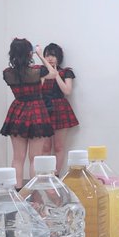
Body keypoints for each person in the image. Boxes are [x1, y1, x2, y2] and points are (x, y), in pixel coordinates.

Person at [0, 38, 55, 189]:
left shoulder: (7, 73)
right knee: (35, 158)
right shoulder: (37, 71)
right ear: (29, 54)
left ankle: (17, 192)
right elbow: (53, 73)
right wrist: (40, 55)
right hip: (37, 111)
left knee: (17, 158)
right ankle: (33, 193)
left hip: (17, 111)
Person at [41, 43, 79, 175]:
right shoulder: (40, 72)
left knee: (59, 146)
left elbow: (67, 91)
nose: (50, 58)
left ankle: (56, 176)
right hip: (44, 108)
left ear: (59, 57)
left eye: (53, 55)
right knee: (45, 147)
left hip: (60, 109)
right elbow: (37, 91)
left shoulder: (66, 72)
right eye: (47, 55)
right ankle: (45, 175)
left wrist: (56, 74)